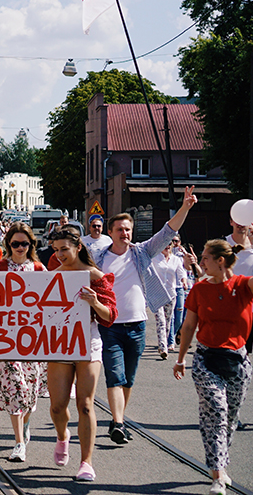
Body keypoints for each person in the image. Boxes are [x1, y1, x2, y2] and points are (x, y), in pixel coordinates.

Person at [94, 186, 197, 445]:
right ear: (110, 233)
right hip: (110, 326)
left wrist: (185, 207)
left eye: (128, 229)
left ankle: (119, 419)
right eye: (120, 229)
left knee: (128, 379)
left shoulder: (141, 252)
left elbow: (167, 233)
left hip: (138, 326)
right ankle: (118, 423)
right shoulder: (98, 259)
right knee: (115, 376)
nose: (125, 233)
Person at [174, 239, 253, 495]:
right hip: (206, 359)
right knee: (217, 414)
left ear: (220, 261)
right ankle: (218, 475)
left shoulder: (243, 285)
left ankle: (220, 464)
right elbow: (188, 326)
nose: (201, 263)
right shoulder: (199, 289)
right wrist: (180, 359)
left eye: (205, 258)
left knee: (230, 419)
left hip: (238, 360)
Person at [45, 226, 117, 482]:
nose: (60, 254)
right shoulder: (53, 276)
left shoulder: (95, 275)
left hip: (87, 343)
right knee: (56, 407)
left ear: (78, 247)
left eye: (65, 249)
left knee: (85, 404)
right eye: (56, 250)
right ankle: (63, 436)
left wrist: (95, 302)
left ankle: (86, 462)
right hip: (60, 344)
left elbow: (110, 316)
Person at [0, 222, 46, 463]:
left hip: (33, 341)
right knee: (16, 386)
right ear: (8, 245)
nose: (20, 248)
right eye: (15, 243)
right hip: (6, 340)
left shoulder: (38, 268)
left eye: (24, 243)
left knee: (30, 392)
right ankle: (18, 443)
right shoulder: (0, 267)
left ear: (31, 244)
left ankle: (25, 425)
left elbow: (52, 300)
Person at [153, 240, 184, 360]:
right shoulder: (155, 258)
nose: (167, 246)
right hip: (157, 294)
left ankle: (163, 343)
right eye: (165, 244)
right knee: (160, 320)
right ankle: (163, 347)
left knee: (168, 320)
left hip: (171, 294)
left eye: (169, 244)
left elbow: (181, 273)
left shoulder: (176, 259)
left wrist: (184, 281)